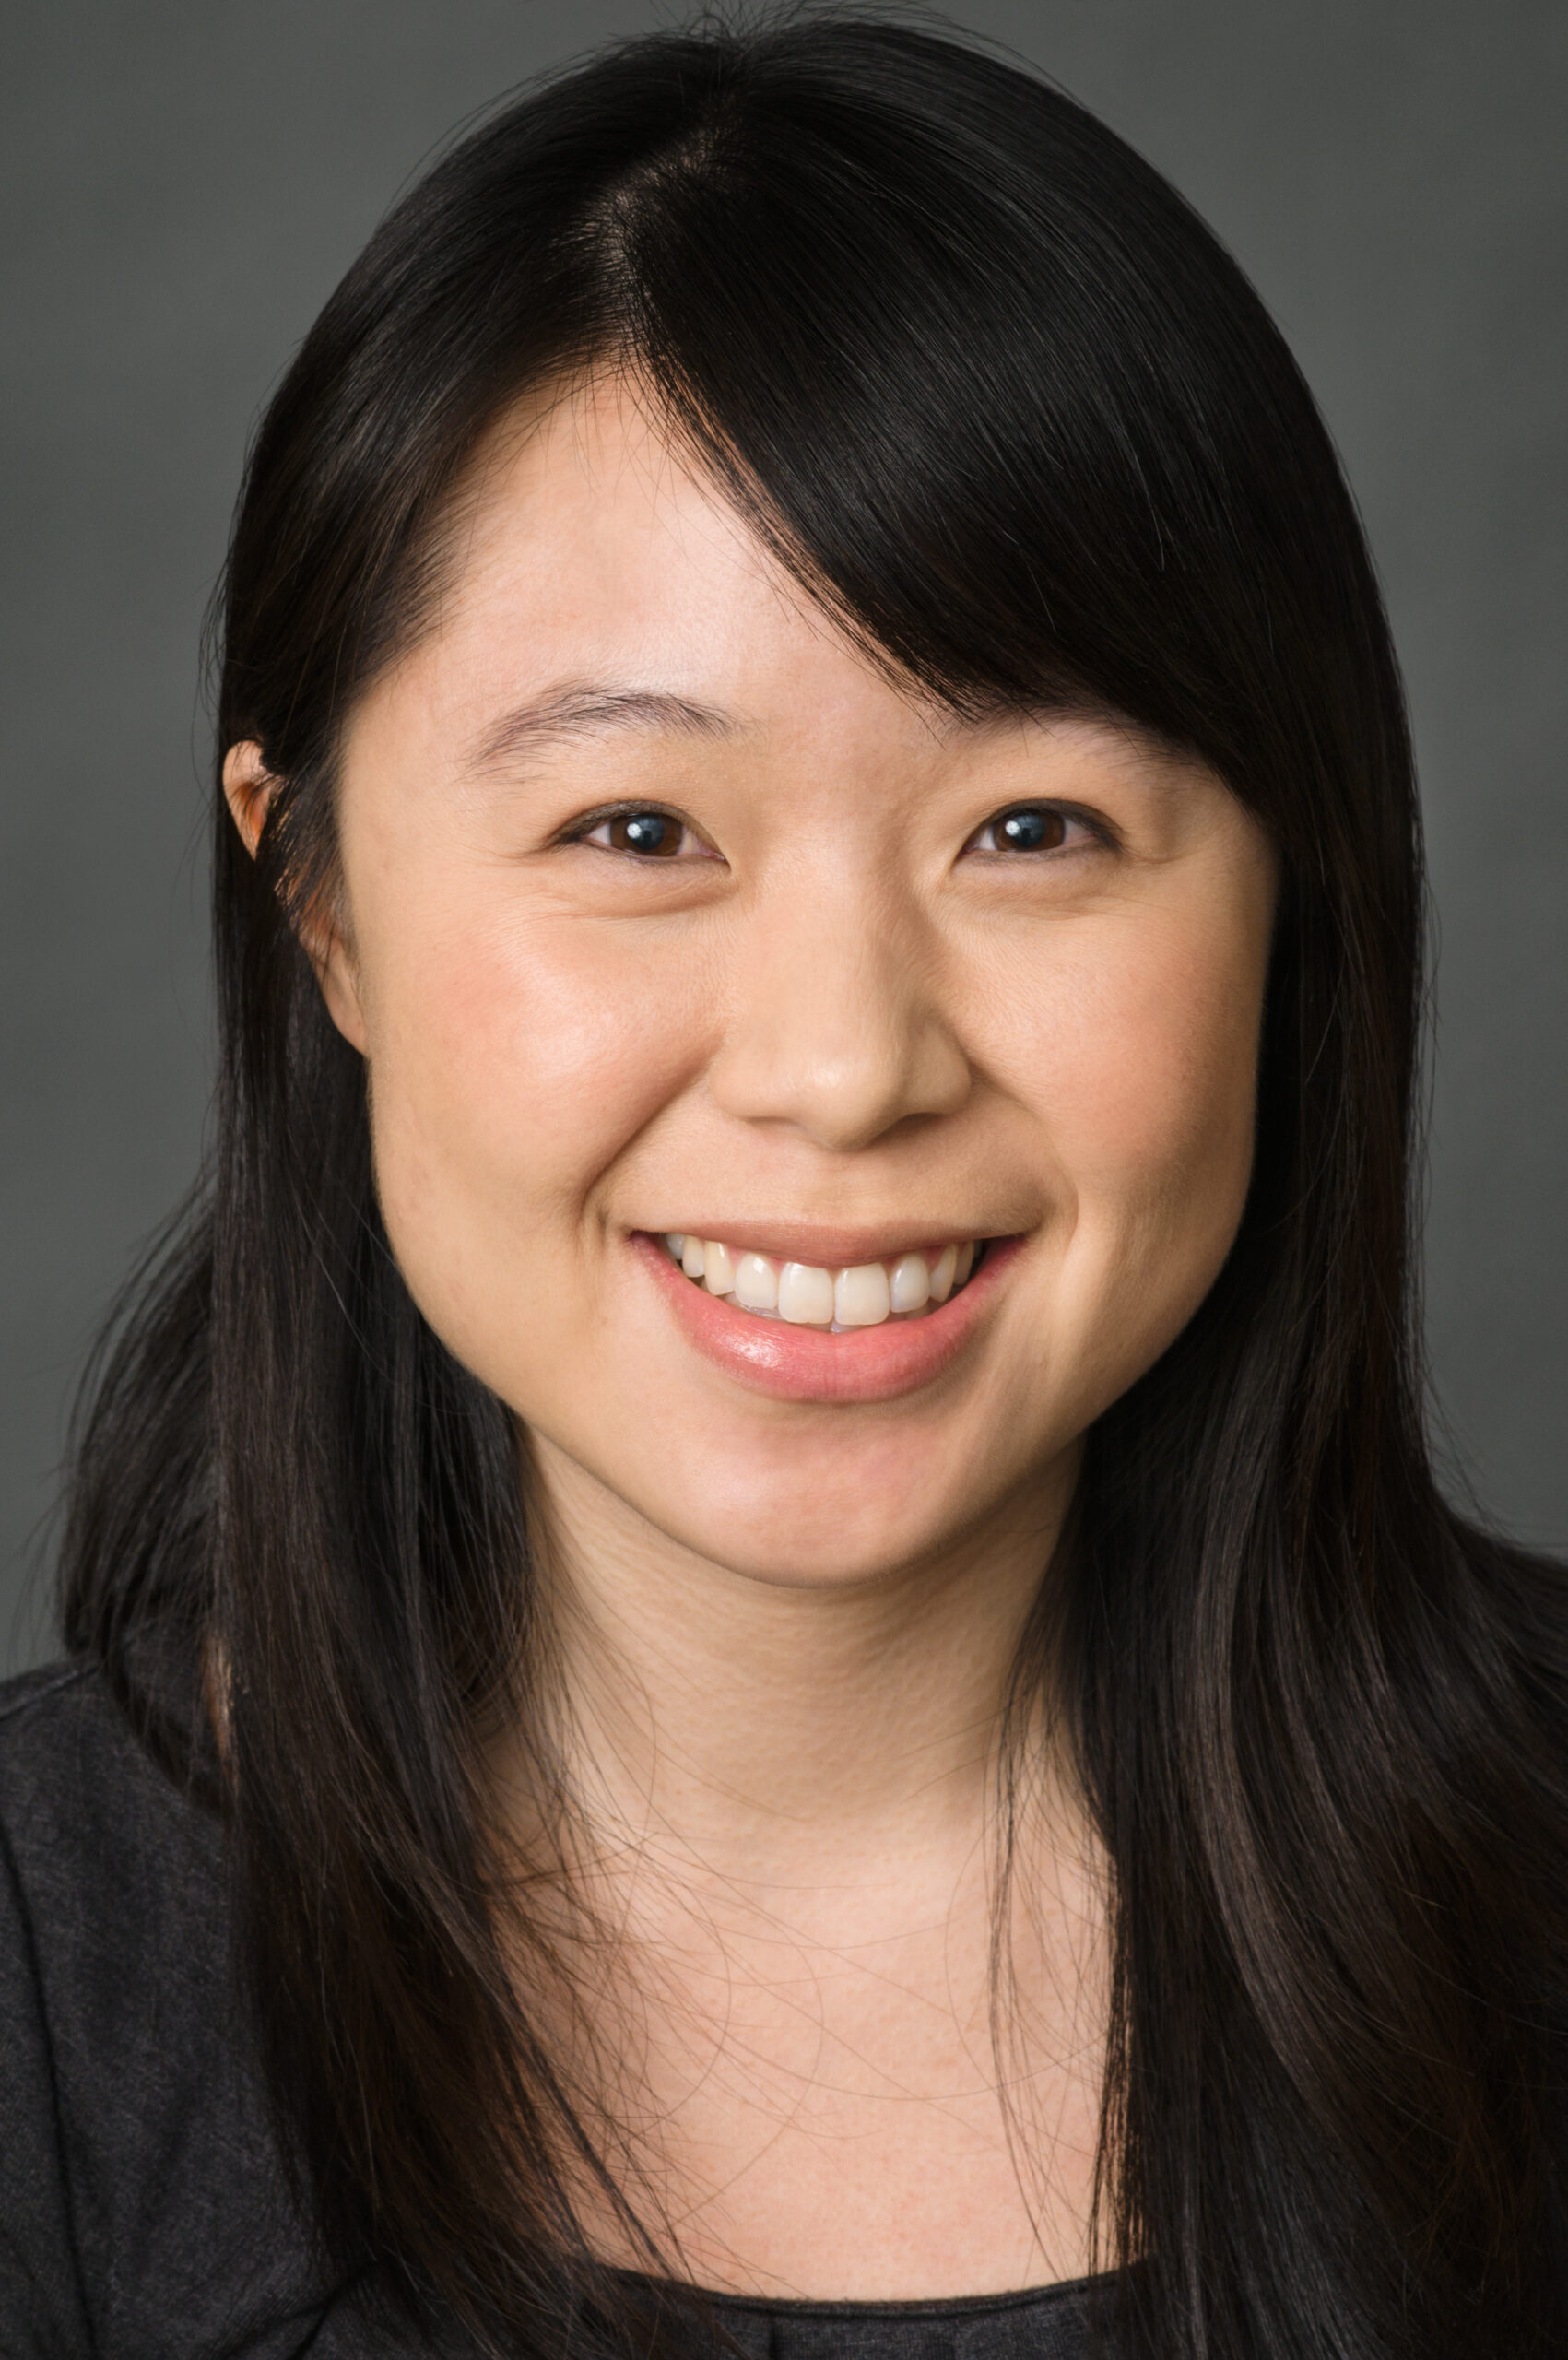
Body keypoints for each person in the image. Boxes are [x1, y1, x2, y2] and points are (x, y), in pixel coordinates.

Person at [2, 14, 1563, 2358]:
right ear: (317, 900)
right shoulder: (35, 1984)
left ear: (1293, 897)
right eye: (635, 832)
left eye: (1031, 829)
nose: (842, 1068)